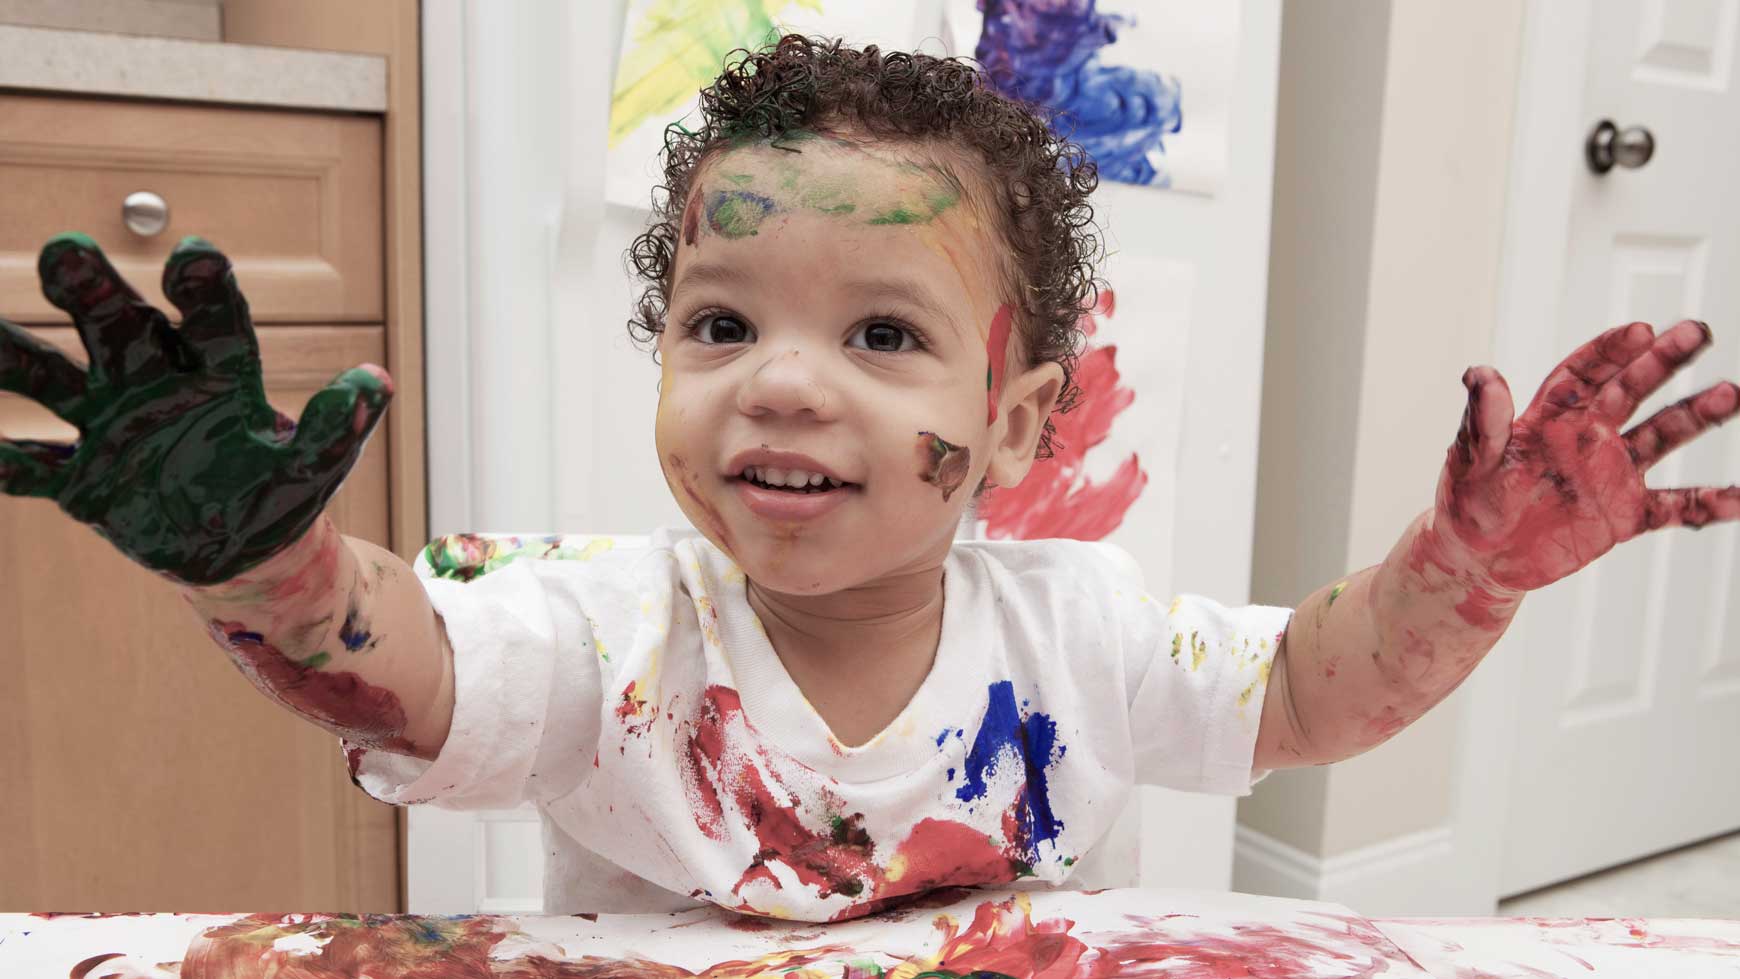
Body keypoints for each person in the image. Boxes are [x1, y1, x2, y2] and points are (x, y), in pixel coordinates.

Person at [3, 36, 1737, 922]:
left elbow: (1306, 692)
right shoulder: (613, 638)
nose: (778, 377)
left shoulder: (1085, 635)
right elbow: (430, 663)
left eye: (884, 335)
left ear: (1018, 421)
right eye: (720, 318)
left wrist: (1466, 574)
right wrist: (278, 573)